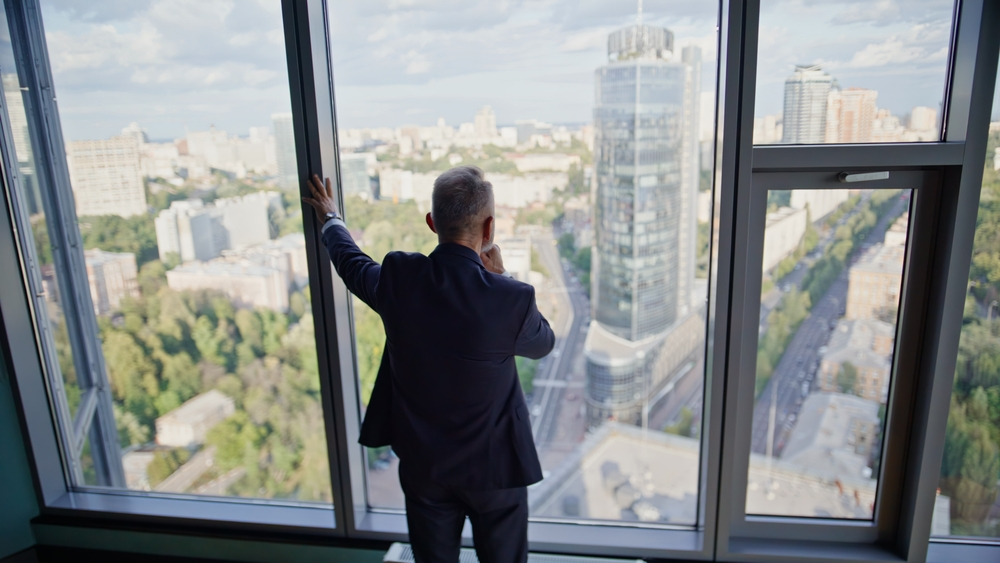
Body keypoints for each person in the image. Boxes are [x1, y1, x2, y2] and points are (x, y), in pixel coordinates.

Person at [303, 166, 554, 563]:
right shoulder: (511, 297)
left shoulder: (400, 278)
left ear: (432, 223)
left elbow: (351, 264)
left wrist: (331, 218)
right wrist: (501, 274)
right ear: (489, 229)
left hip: (425, 470)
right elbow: (543, 344)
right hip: (496, 474)